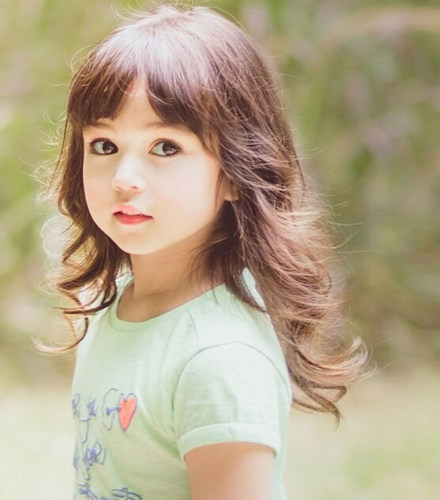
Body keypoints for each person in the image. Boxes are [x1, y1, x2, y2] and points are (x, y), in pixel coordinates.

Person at [47, 4, 368, 499]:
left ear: (236, 172)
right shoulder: (122, 304)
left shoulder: (218, 358)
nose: (124, 178)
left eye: (165, 147)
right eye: (105, 146)